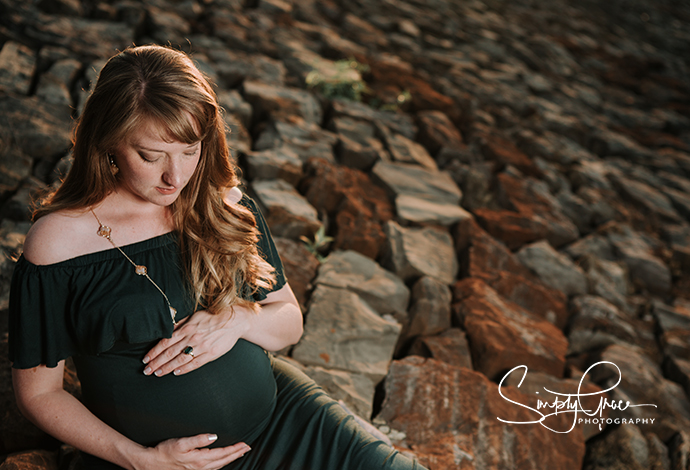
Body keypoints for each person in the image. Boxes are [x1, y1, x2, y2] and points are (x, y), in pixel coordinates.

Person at [8, 45, 425, 470]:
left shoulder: (220, 204)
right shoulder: (59, 243)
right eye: (151, 156)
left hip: (285, 419)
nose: (175, 176)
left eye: (190, 151)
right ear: (108, 142)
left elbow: (288, 321)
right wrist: (139, 460)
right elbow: (39, 394)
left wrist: (236, 319)